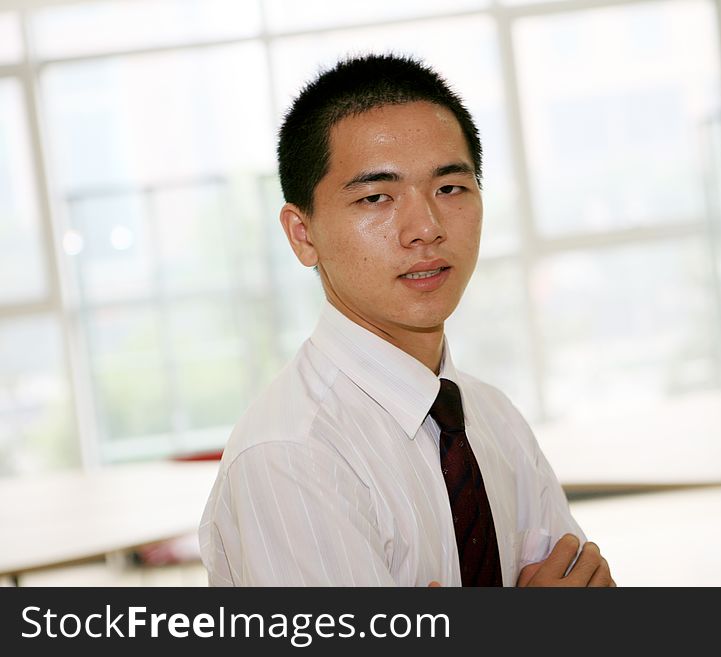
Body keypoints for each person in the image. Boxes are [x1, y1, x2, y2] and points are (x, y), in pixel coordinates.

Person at [199, 54, 614, 587]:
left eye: (449, 189)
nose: (425, 228)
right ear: (303, 235)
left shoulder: (492, 417)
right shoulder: (293, 456)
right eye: (376, 197)